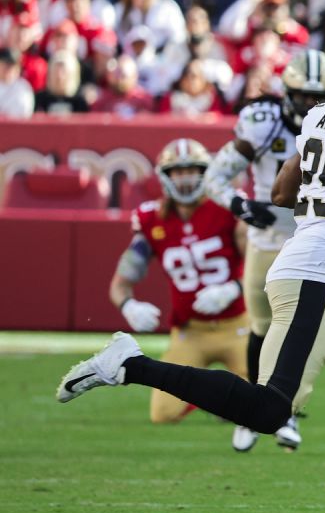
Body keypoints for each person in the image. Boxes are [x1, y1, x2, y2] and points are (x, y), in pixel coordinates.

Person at [57, 30, 325, 513]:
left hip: (311, 268)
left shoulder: (322, 116)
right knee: (271, 409)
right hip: (319, 275)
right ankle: (129, 364)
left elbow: (281, 191)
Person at [204, 49, 325, 452]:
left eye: (321, 98)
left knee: (307, 330)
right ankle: (254, 408)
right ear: (287, 93)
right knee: (263, 327)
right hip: (268, 236)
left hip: (317, 234)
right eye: (303, 97)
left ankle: (290, 412)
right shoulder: (263, 122)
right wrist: (238, 204)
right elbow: (216, 176)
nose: (312, 106)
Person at [106, 139, 252, 435]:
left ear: (206, 172)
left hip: (239, 325)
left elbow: (259, 268)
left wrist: (233, 289)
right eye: (178, 171)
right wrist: (128, 305)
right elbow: (121, 282)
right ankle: (217, 396)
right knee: (163, 413)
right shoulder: (151, 219)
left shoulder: (228, 208)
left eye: (193, 170)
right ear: (165, 176)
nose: (185, 179)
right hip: (190, 331)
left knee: (264, 404)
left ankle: (227, 394)